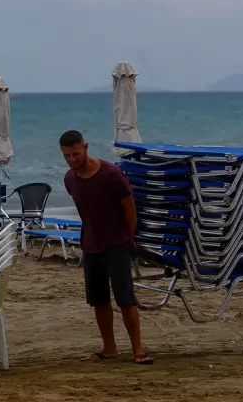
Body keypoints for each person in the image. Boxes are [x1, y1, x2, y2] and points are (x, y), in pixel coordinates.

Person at [59, 129, 154, 365]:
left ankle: (138, 349)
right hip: (91, 245)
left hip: (117, 243)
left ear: (86, 148)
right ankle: (109, 348)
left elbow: (129, 206)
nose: (72, 160)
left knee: (125, 298)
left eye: (76, 154)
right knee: (99, 300)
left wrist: (129, 237)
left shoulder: (110, 174)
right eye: (67, 156)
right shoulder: (69, 179)